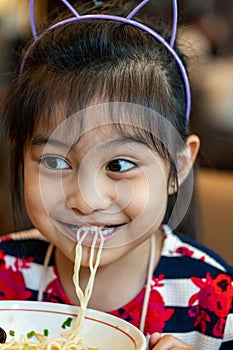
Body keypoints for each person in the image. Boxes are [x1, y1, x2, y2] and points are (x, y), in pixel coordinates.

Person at [1, 0, 233, 349]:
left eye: (119, 165)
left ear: (178, 168)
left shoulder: (213, 299)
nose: (86, 200)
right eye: (55, 163)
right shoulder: (7, 272)